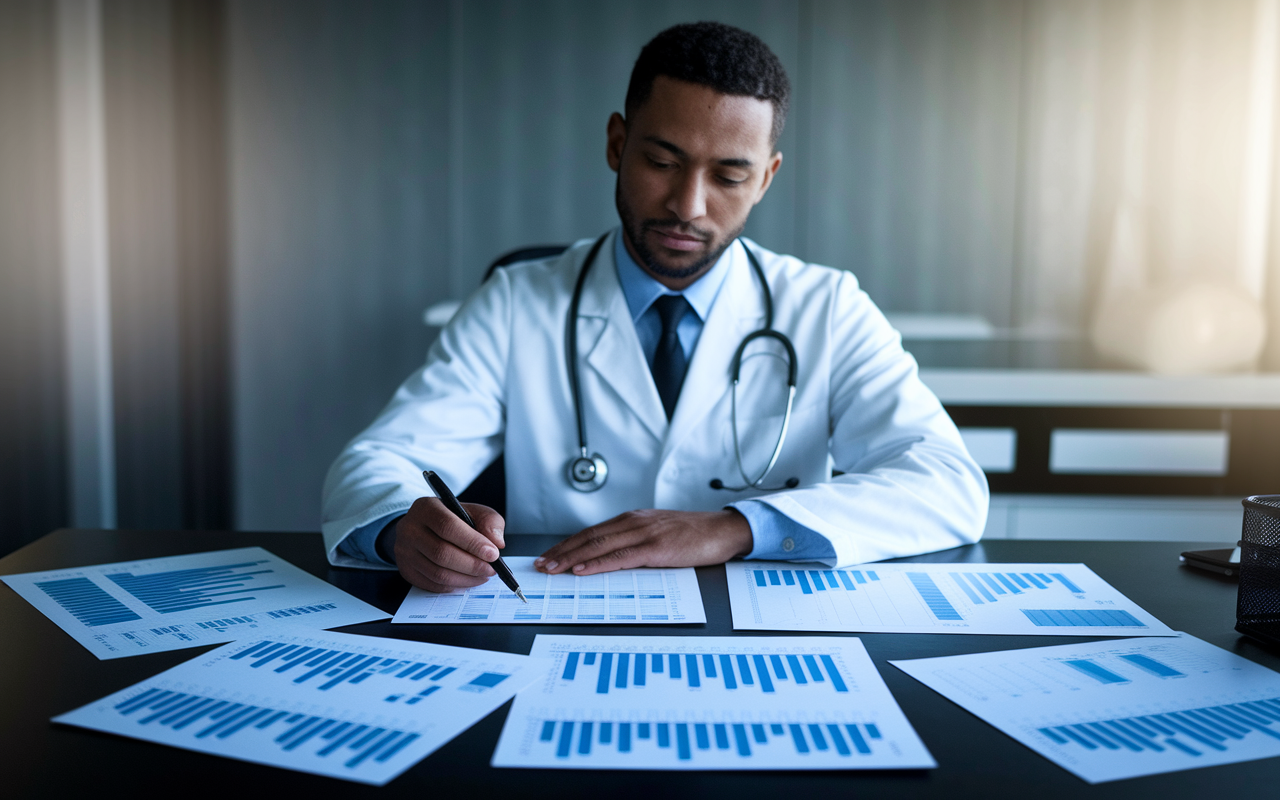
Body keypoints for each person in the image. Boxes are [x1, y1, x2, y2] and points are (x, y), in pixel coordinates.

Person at [321, 21, 988, 593]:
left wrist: (733, 528)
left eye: (728, 175)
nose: (688, 206)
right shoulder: (516, 304)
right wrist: (400, 528)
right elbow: (379, 461)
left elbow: (948, 483)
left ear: (766, 177)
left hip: (765, 635)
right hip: (568, 622)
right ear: (617, 144)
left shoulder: (827, 308)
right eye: (662, 161)